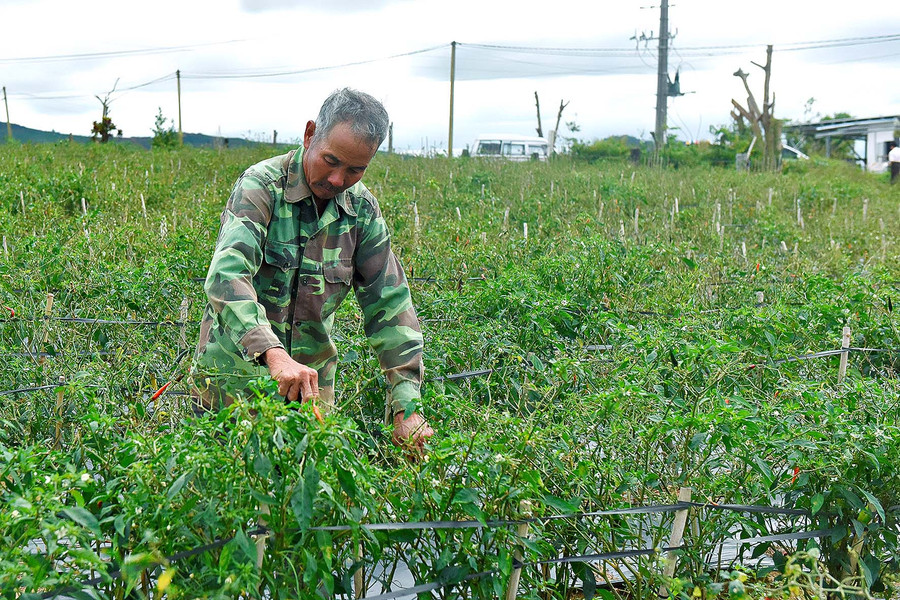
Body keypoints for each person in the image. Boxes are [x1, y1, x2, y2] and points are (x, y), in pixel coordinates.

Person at [191, 88, 433, 450]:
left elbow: (391, 305)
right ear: (309, 135)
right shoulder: (262, 187)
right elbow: (228, 275)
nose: (337, 179)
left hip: (310, 398)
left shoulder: (361, 211)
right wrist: (273, 355)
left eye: (355, 169)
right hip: (232, 388)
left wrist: (406, 406)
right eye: (330, 160)